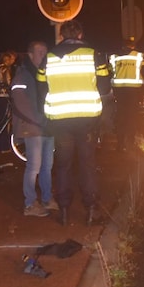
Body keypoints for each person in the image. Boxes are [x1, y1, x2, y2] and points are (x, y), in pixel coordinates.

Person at [38, 20, 111, 226]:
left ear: (61, 35)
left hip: (60, 120)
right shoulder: (93, 55)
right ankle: (90, 210)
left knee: (63, 166)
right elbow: (105, 88)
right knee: (87, 165)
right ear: (80, 34)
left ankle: (63, 210)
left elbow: (42, 87)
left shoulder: (49, 58)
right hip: (86, 119)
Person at [11, 41, 57, 217]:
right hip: (33, 126)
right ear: (30, 54)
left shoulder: (46, 74)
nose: (43, 55)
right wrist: (38, 120)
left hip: (47, 126)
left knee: (47, 166)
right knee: (34, 166)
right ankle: (30, 204)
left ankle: (46, 199)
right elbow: (20, 101)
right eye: (40, 52)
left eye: (45, 52)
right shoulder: (23, 74)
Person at [109, 40, 144, 152]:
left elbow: (111, 71)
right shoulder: (139, 56)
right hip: (133, 90)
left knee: (121, 116)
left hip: (119, 91)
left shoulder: (113, 57)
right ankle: (130, 142)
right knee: (131, 117)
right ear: (133, 46)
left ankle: (120, 144)